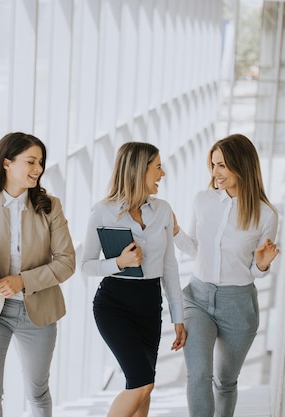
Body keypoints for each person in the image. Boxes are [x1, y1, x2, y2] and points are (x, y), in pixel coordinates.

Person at [0, 132, 76, 417]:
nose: (38, 169)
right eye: (31, 161)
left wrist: (22, 281)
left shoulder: (50, 207)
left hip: (39, 312)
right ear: (7, 163)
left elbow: (67, 262)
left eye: (41, 162)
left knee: (37, 390)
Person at [172, 133, 280, 417]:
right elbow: (195, 248)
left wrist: (263, 264)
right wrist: (174, 231)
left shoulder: (266, 215)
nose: (215, 173)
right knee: (198, 376)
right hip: (197, 298)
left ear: (241, 165)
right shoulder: (203, 200)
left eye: (221, 165)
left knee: (225, 382)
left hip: (238, 304)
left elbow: (255, 271)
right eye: (213, 165)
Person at [81, 141, 187, 417]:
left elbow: (170, 266)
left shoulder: (163, 210)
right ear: (139, 170)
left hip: (150, 307)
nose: (162, 174)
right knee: (142, 382)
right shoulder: (101, 211)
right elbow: (86, 265)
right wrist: (119, 263)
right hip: (114, 305)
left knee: (143, 386)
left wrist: (179, 316)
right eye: (158, 167)